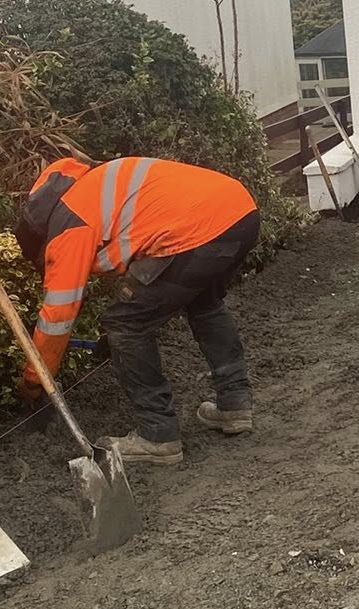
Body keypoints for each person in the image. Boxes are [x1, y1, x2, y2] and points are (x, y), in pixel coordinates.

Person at [14, 154, 261, 464]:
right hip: (238, 212)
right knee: (205, 304)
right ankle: (235, 403)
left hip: (196, 232)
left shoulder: (67, 226)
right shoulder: (93, 187)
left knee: (126, 324)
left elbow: (58, 317)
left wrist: (34, 380)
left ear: (42, 243)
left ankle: (158, 435)